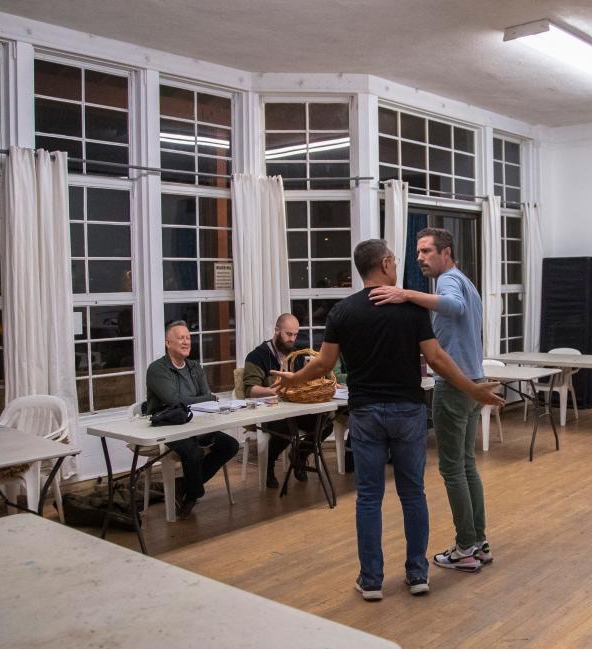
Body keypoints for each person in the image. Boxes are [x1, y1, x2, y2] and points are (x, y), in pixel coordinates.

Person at [273, 239, 503, 601]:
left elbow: (321, 364)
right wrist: (472, 390)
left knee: (368, 498)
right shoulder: (410, 310)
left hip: (365, 414)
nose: (399, 264)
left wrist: (293, 379)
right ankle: (417, 574)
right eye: (394, 260)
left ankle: (371, 580)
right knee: (413, 493)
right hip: (408, 412)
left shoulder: (343, 312)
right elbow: (439, 360)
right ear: (383, 264)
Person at [370, 227, 491, 573]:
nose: (420, 257)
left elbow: (452, 307)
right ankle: (478, 542)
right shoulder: (463, 279)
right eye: (418, 252)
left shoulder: (449, 282)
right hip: (472, 382)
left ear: (446, 252)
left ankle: (466, 548)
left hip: (455, 387)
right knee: (466, 466)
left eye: (426, 251)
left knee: (453, 469)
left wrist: (405, 294)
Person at [145, 320, 240, 519]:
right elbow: (174, 401)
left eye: (188, 338)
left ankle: (184, 485)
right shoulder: (157, 370)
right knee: (193, 453)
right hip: (168, 426)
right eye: (180, 338)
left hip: (196, 422)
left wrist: (205, 399)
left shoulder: (195, 367)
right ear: (168, 343)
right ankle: (194, 494)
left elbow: (203, 398)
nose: (186, 342)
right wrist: (207, 398)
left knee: (230, 445)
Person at [242, 313, 323, 487]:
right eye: (288, 334)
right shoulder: (258, 356)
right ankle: (269, 465)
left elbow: (303, 383)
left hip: (294, 408)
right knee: (287, 425)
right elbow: (250, 390)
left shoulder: (297, 355)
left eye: (295, 335)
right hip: (269, 412)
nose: (292, 339)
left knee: (324, 421)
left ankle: (300, 455)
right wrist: (272, 391)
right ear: (277, 331)